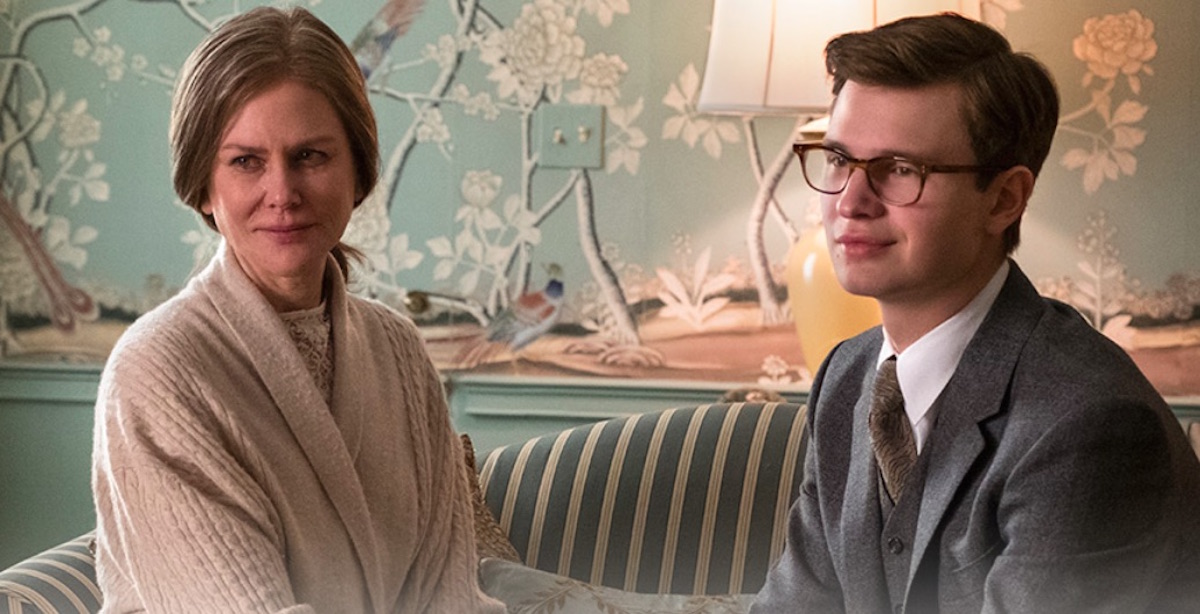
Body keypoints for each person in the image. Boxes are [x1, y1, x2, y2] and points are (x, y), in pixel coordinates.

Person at [752, 13, 1200, 613]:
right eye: (837, 159)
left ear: (1004, 199)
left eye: (900, 170)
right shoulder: (846, 375)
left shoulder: (1089, 424)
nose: (850, 203)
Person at [91, 7, 504, 612]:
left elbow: (452, 598)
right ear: (202, 186)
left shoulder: (398, 350)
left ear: (358, 173)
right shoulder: (158, 370)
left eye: (310, 156)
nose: (282, 193)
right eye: (246, 161)